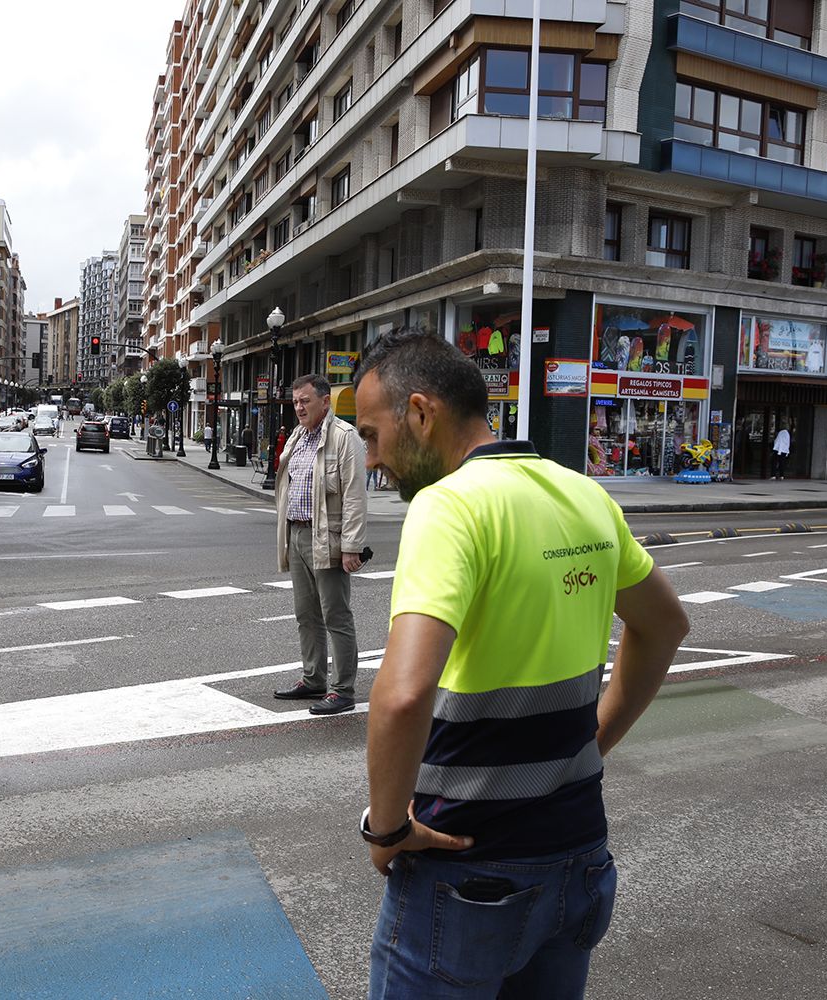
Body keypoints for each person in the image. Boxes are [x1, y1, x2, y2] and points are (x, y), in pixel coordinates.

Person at [351, 329, 689, 999]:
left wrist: (385, 827)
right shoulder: (584, 495)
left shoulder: (450, 506)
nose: (371, 458)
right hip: (580, 861)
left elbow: (401, 694)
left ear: (421, 412)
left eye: (371, 434)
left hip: (472, 875)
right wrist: (593, 741)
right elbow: (666, 626)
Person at [272, 374, 368, 716]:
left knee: (335, 614)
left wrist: (352, 546)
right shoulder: (298, 436)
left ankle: (343, 689)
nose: (299, 407)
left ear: (324, 402)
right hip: (297, 534)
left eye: (305, 401)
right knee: (305, 613)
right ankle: (314, 678)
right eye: (296, 401)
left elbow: (355, 495)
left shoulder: (344, 438)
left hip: (327, 536)